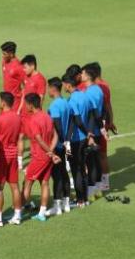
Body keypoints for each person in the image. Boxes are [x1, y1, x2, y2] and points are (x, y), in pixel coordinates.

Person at [21, 94, 60, 222]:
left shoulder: (34, 120)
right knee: (45, 183)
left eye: (26, 104)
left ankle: (19, 212)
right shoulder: (47, 117)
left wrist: (50, 152)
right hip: (47, 157)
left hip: (39, 157)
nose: (25, 106)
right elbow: (56, 136)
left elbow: (38, 139)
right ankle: (42, 213)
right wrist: (51, 151)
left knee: (27, 183)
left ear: (31, 105)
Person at [0, 91, 24, 226]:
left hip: (1, 157)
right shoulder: (17, 118)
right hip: (13, 154)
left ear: (3, 103)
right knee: (14, 186)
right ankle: (17, 216)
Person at [62, 74, 91, 207]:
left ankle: (80, 200)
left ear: (68, 84)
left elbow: (77, 121)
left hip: (76, 140)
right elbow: (89, 115)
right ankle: (85, 198)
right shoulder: (84, 96)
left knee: (76, 170)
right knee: (83, 168)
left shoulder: (72, 100)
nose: (63, 86)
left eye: (64, 84)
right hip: (83, 139)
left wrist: (87, 133)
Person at [47, 77, 72, 215]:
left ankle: (57, 205)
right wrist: (67, 140)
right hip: (66, 143)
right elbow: (71, 122)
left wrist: (61, 141)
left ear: (52, 88)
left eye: (48, 88)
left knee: (56, 175)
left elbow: (56, 125)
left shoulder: (54, 105)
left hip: (57, 145)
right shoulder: (66, 103)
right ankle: (66, 203)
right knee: (64, 173)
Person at [81, 63, 105, 199]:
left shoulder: (91, 92)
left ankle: (91, 192)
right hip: (95, 131)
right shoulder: (97, 90)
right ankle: (98, 189)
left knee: (90, 162)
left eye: (83, 73)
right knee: (95, 160)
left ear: (88, 76)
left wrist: (90, 133)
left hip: (91, 132)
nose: (81, 75)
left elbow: (93, 114)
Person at [91, 62, 115, 190]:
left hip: (97, 123)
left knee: (94, 154)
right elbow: (108, 105)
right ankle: (105, 182)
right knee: (102, 154)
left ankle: (95, 181)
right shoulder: (106, 85)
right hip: (105, 122)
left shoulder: (96, 87)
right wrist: (111, 121)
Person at [0, 41, 25, 113]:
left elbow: (25, 85)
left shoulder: (19, 66)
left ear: (11, 54)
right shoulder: (4, 62)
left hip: (15, 102)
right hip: (5, 100)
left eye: (4, 54)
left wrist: (20, 107)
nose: (2, 56)